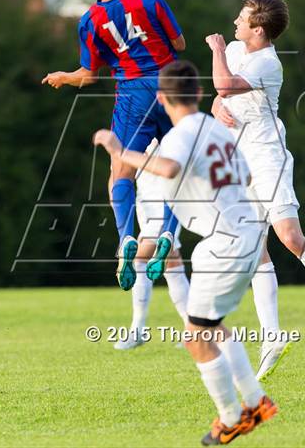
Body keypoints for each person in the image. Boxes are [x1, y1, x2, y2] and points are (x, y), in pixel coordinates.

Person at [94, 60, 278, 445]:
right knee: (211, 327)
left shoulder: (181, 134)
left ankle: (232, 418)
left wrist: (119, 151)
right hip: (246, 236)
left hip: (223, 243)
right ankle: (257, 402)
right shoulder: (217, 129)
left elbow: (168, 165)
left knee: (196, 336)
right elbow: (243, 176)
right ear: (198, 93)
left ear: (161, 99)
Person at [206, 0, 305, 381]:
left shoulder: (267, 62)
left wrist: (216, 50)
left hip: (267, 159)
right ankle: (273, 336)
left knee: (290, 238)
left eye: (241, 19)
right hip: (241, 161)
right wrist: (215, 107)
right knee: (253, 249)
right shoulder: (244, 50)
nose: (234, 23)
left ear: (258, 30)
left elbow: (224, 84)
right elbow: (220, 96)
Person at [42, 0, 185, 292]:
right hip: (170, 86)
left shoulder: (90, 20)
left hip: (133, 95)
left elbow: (89, 76)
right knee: (181, 165)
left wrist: (65, 76)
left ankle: (126, 237)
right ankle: (168, 230)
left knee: (121, 171)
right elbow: (179, 42)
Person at [115, 140, 189, 351]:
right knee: (171, 262)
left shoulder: (163, 124)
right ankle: (195, 330)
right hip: (144, 199)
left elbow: (169, 165)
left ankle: (138, 329)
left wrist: (128, 156)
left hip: (165, 199)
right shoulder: (133, 123)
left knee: (140, 256)